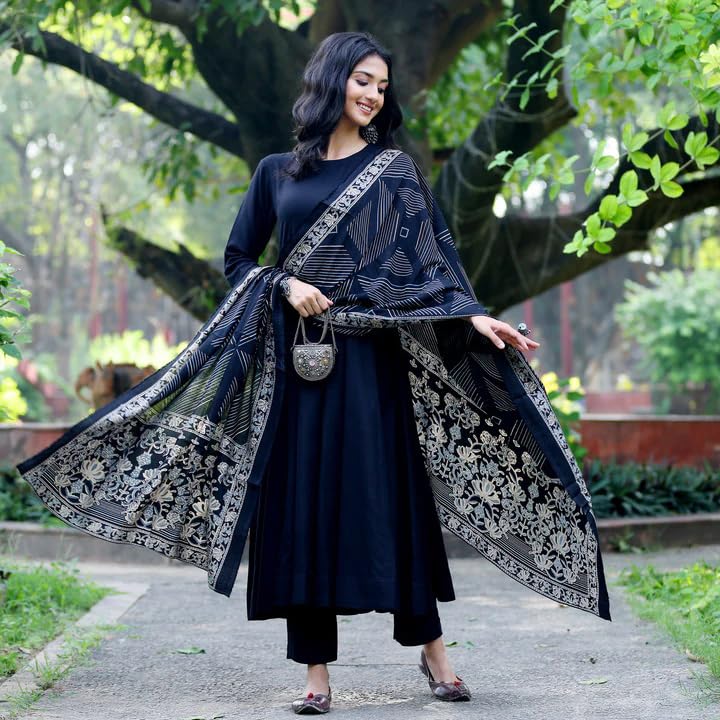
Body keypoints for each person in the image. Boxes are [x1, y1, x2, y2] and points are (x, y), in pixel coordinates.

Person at [17, 30, 610, 718]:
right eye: (363, 80)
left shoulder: (393, 172)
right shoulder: (277, 173)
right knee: (303, 512)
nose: (373, 94)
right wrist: (286, 283)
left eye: (382, 85)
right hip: (299, 370)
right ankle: (316, 674)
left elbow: (432, 269)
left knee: (393, 503)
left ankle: (434, 653)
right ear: (332, 79)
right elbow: (238, 261)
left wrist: (474, 318)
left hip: (375, 368)